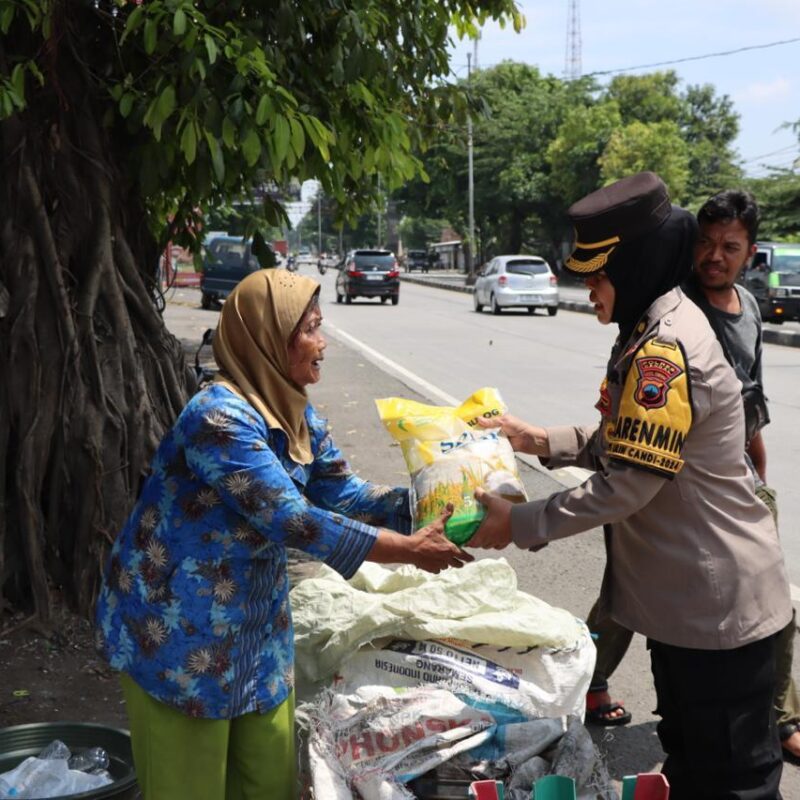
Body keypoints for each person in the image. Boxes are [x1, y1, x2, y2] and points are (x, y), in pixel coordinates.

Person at [469, 172, 792, 799]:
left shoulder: (662, 349)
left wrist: (519, 522)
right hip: (689, 608)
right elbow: (632, 444)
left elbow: (631, 483)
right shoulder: (653, 327)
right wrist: (539, 439)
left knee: (735, 782)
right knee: (697, 767)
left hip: (714, 611)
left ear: (635, 263)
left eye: (597, 275)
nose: (587, 289)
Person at [95, 269, 472, 800]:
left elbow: (343, 493)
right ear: (268, 338)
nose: (323, 343)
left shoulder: (292, 410)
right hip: (179, 638)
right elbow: (292, 519)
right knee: (191, 787)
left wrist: (442, 508)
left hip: (254, 634)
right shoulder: (219, 417)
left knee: (268, 784)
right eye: (312, 329)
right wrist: (407, 552)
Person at [579, 188, 800, 758]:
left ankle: (779, 717)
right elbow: (629, 436)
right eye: (704, 242)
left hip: (729, 480)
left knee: (770, 605)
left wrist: (758, 478)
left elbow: (752, 401)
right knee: (624, 597)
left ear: (750, 254)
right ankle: (585, 682)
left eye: (730, 247)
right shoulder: (670, 315)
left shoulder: (747, 310)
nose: (714, 256)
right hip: (658, 482)